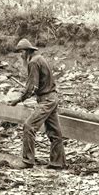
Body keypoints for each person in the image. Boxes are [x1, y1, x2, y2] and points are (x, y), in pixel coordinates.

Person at [6, 39, 66, 170]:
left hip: (46, 100)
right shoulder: (40, 59)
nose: (20, 56)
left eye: (21, 52)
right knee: (55, 132)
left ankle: (27, 161)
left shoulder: (33, 62)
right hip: (52, 97)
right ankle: (58, 162)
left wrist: (18, 100)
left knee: (29, 126)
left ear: (26, 51)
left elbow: (32, 87)